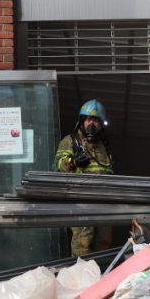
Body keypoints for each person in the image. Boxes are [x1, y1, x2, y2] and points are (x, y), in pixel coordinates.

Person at [54, 99, 113, 257]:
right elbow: (57, 166)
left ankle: (100, 276)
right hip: (81, 202)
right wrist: (73, 163)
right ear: (81, 121)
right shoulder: (71, 141)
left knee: (104, 241)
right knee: (83, 241)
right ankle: (81, 277)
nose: (91, 124)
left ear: (101, 124)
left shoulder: (103, 145)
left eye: (95, 120)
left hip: (104, 203)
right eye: (88, 120)